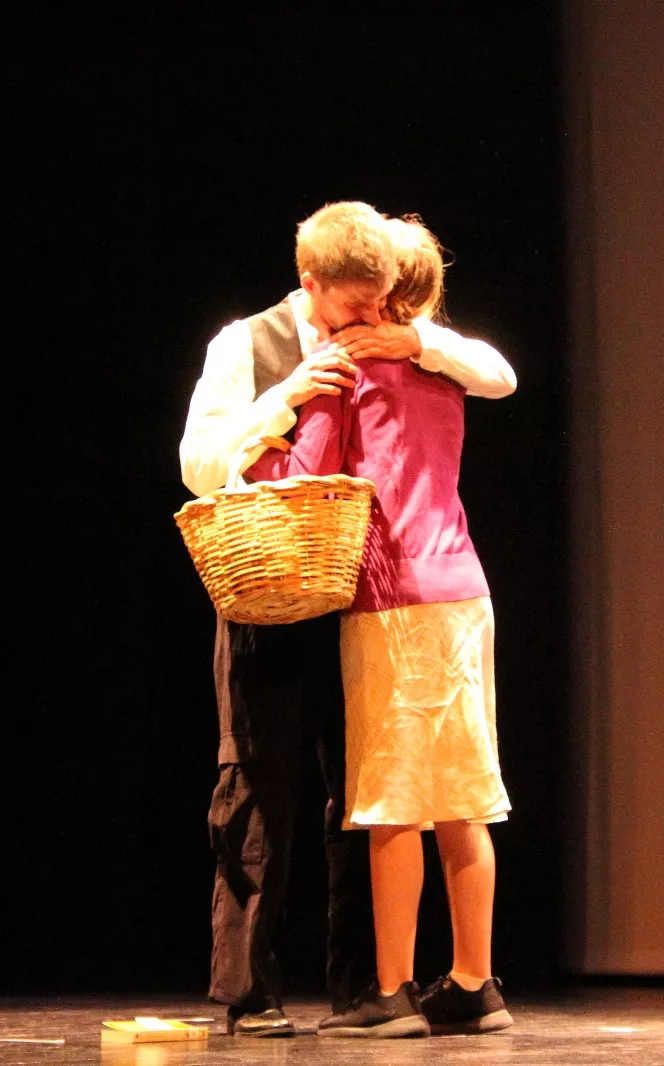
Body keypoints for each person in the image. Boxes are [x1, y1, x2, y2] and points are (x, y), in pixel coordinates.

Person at [178, 201, 515, 1037]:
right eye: (355, 304)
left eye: (382, 301)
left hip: (378, 598)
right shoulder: (246, 345)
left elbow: (495, 372)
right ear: (311, 284)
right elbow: (201, 469)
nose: (368, 318)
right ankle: (256, 992)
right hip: (284, 589)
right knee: (264, 786)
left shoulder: (399, 349)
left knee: (373, 800)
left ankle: (375, 986)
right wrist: (286, 397)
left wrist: (411, 342)